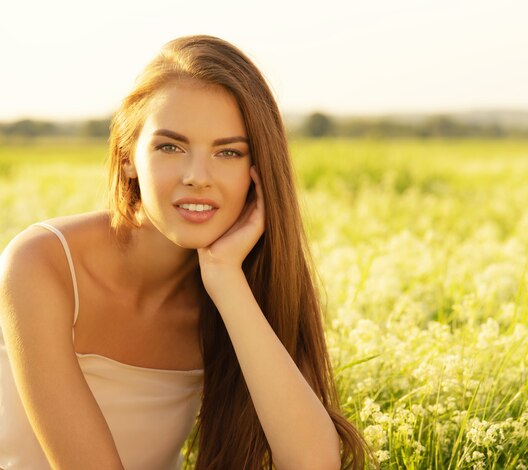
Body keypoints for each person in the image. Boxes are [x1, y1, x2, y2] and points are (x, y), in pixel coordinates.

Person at [0, 36, 373, 469]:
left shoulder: (242, 288)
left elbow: (312, 463)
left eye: (228, 152)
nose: (198, 176)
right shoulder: (42, 262)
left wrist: (225, 278)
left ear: (258, 173)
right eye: (171, 147)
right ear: (127, 157)